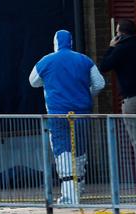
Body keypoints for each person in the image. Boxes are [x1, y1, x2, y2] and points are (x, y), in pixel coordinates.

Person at [30, 30, 105, 204]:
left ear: (55, 43)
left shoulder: (46, 60)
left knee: (62, 150)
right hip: (82, 112)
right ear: (71, 42)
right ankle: (79, 188)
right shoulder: (84, 60)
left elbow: (33, 82)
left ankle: (70, 196)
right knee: (79, 148)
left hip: (57, 113)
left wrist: (50, 82)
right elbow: (100, 83)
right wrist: (86, 95)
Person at [99, 19, 136, 187]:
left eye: (117, 32)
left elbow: (104, 66)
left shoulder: (120, 49)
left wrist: (111, 47)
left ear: (121, 34)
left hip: (132, 98)